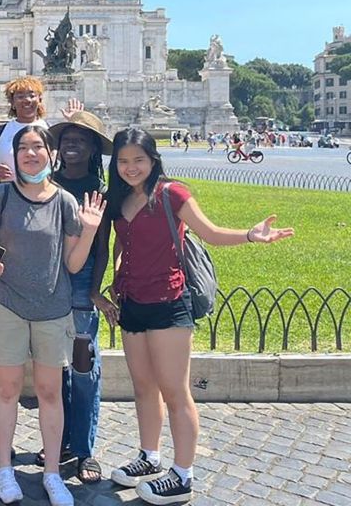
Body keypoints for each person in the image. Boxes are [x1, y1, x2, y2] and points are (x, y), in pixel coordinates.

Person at [105, 128, 294, 504]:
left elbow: (209, 232)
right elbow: (120, 243)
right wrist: (116, 277)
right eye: (123, 161)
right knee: (143, 387)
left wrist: (250, 235)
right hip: (133, 302)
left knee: (175, 391)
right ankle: (149, 456)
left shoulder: (172, 193)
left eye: (138, 160)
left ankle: (183, 474)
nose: (131, 168)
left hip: (169, 301)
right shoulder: (119, 198)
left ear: (153, 160)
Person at [0, 124, 105, 506]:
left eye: (38, 147)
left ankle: (52, 473)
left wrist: (89, 231)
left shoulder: (66, 201)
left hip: (53, 308)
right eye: (24, 149)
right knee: (6, 390)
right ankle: (5, 469)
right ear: (14, 156)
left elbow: (72, 263)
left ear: (50, 154)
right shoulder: (0, 196)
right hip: (7, 305)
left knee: (51, 392)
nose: (31, 154)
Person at [48, 112, 114, 485]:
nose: (72, 144)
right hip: (50, 281)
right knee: (54, 369)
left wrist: (94, 289)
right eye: (67, 138)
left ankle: (85, 448)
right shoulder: (48, 183)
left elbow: (102, 248)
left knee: (83, 367)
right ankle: (62, 442)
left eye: (81, 139)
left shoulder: (97, 190)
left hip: (81, 282)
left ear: (92, 149)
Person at [0, 78, 82, 181]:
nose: (27, 100)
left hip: (44, 192)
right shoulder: (0, 131)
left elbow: (71, 159)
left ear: (40, 100)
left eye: (32, 95)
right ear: (12, 102)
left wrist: (75, 124)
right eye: (20, 96)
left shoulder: (51, 130)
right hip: (9, 193)